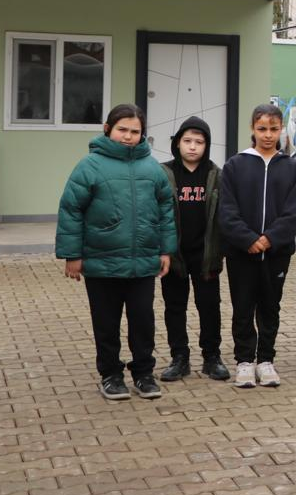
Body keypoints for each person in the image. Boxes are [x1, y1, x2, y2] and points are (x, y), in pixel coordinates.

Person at [56, 104, 176, 401]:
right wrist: (72, 254)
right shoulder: (89, 166)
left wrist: (166, 250)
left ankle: (144, 374)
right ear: (107, 129)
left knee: (142, 321)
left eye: (135, 132)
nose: (128, 136)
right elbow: (71, 209)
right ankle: (110, 375)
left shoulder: (153, 168)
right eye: (122, 129)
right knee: (106, 322)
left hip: (142, 263)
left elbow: (166, 210)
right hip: (101, 261)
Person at [219, 104, 296, 389]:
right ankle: (245, 361)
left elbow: (294, 213)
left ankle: (266, 360)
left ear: (282, 129)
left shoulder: (293, 168)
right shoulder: (234, 165)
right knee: (243, 306)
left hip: (276, 253)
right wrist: (248, 239)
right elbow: (227, 211)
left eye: (273, 129)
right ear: (252, 129)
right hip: (241, 254)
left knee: (270, 307)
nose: (268, 135)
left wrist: (270, 239)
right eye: (261, 129)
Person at [158, 116, 228, 383]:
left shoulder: (215, 174)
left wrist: (220, 251)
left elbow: (223, 215)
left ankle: (212, 357)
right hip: (174, 255)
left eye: (199, 142)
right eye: (187, 141)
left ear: (206, 145)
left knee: (209, 306)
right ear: (177, 143)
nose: (192, 147)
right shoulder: (164, 173)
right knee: (174, 307)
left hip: (205, 255)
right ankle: (179, 357)